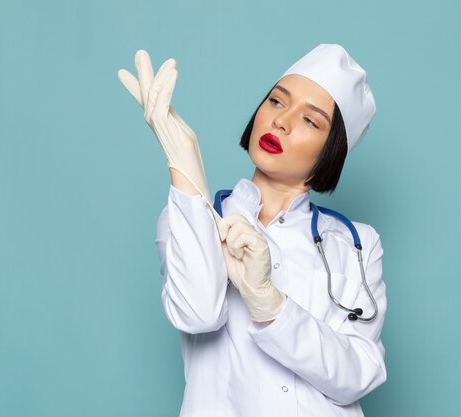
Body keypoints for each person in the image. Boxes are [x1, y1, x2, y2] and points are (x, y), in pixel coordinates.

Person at [118, 43, 387, 417]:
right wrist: (184, 170)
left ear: (332, 150)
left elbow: (359, 374)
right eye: (277, 102)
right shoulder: (190, 220)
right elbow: (197, 313)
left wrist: (270, 303)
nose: (281, 121)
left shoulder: (357, 244)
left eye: (310, 120)